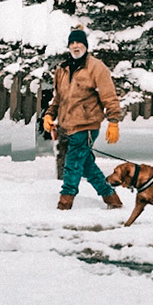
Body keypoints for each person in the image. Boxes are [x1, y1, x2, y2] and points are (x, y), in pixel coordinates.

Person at [41, 28, 123, 210]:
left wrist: (113, 121)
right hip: (66, 126)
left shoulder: (96, 67)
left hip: (86, 125)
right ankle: (111, 198)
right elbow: (59, 98)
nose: (75, 46)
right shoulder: (62, 69)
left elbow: (109, 96)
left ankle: (65, 202)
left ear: (85, 45)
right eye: (72, 43)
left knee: (72, 164)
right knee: (86, 165)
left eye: (79, 43)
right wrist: (49, 114)